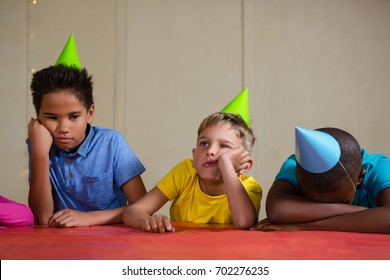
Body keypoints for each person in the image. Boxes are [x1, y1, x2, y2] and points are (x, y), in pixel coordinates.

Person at [27, 35, 146, 228]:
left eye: (73, 117)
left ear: (90, 113)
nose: (63, 128)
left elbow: (142, 206)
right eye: (52, 117)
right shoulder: (40, 144)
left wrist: (89, 219)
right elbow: (42, 217)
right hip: (59, 246)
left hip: (111, 245)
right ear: (38, 117)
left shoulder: (111, 143)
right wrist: (39, 153)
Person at [123, 111, 262, 233]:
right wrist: (147, 221)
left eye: (224, 146)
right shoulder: (185, 172)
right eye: (204, 144)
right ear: (194, 156)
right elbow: (132, 211)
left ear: (245, 165)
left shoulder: (250, 187)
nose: (210, 151)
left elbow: (244, 223)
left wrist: (226, 164)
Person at [253, 126, 390, 234]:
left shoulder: (379, 167)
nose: (322, 209)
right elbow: (278, 210)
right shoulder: (296, 164)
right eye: (312, 202)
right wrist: (360, 211)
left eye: (342, 202)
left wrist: (305, 226)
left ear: (360, 177)